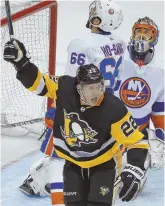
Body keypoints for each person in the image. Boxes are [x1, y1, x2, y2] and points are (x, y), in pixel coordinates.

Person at [4, 31, 148, 206]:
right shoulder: (64, 87)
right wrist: (22, 64)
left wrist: (135, 167)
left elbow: (137, 141)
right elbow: (39, 84)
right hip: (71, 163)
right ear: (78, 88)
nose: (97, 93)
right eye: (91, 88)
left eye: (99, 87)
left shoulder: (113, 108)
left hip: (103, 164)